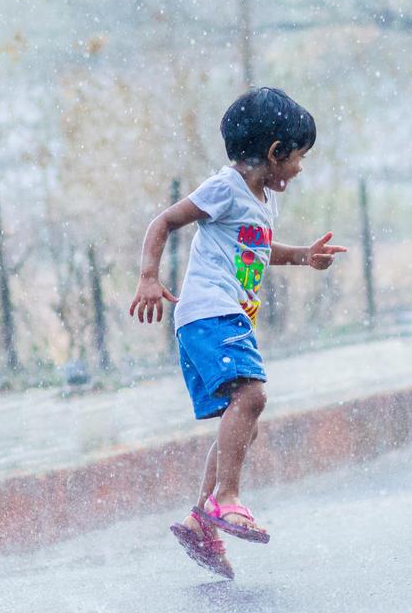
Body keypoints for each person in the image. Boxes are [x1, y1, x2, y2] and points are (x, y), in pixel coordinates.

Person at [129, 87, 347, 579]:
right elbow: (164, 220)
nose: (299, 168)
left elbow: (259, 248)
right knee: (252, 397)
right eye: (298, 158)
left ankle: (200, 521)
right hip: (209, 313)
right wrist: (147, 275)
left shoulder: (262, 198)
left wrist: (303, 256)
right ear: (274, 152)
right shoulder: (225, 187)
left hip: (227, 318)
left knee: (242, 414)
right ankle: (224, 497)